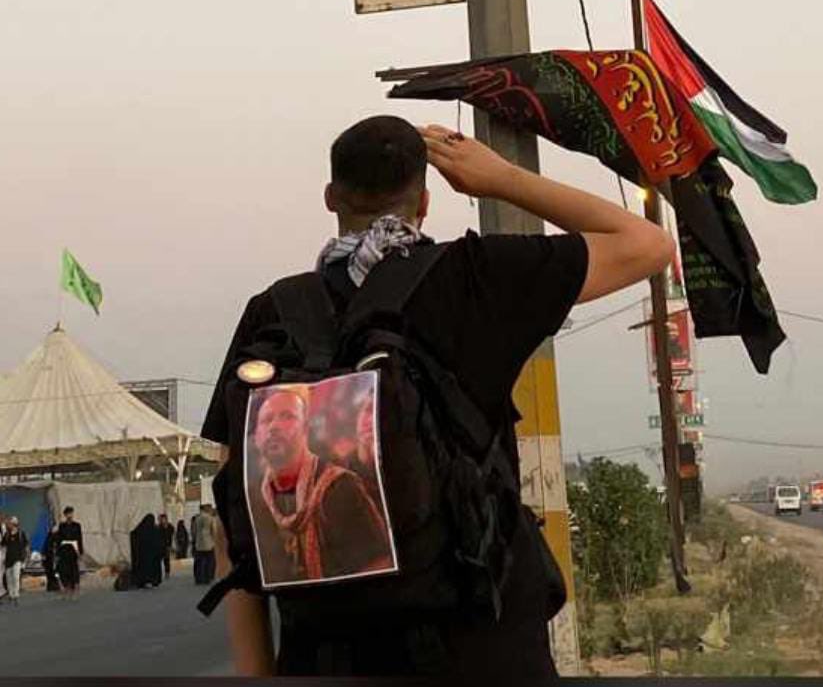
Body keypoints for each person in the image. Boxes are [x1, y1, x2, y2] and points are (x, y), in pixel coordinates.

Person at [204, 114, 673, 678]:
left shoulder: (273, 312)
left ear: (331, 197)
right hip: (480, 651)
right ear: (424, 201)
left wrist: (260, 675)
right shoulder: (477, 276)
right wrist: (499, 177)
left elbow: (235, 519)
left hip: (324, 654)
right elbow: (646, 244)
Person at [248, 386, 392, 587]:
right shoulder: (255, 498)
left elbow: (378, 565)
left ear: (305, 429)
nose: (274, 426)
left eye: (287, 417)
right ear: (256, 438)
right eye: (266, 420)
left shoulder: (340, 487)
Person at [54, 506, 83, 598]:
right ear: (65, 515)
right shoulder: (62, 526)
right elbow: (59, 539)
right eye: (68, 513)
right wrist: (58, 552)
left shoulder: (77, 525)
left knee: (74, 568)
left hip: (73, 549)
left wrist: (80, 551)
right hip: (64, 549)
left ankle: (75, 586)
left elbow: (79, 538)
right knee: (64, 569)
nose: (69, 515)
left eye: (71, 513)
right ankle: (67, 586)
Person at [130, 514, 163, 589]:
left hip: (143, 556)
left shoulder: (140, 530)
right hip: (153, 555)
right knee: (153, 567)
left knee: (144, 568)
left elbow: (133, 535)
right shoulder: (155, 530)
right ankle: (153, 580)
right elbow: (159, 543)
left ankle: (143, 581)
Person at [2, 517, 28, 605]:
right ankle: (11, 595)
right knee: (9, 578)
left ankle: (16, 595)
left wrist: (25, 558)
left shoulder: (21, 534)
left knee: (16, 577)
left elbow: (26, 545)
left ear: (15, 524)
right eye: (9, 523)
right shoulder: (7, 534)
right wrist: (3, 558)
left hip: (18, 558)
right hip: (8, 559)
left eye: (11, 523)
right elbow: (3, 546)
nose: (9, 525)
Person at [192, 506, 217, 586]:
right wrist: (213, 540)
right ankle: (207, 578)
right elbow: (214, 530)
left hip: (199, 544)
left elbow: (194, 531)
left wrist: (196, 539)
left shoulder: (197, 518)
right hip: (208, 543)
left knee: (199, 562)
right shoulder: (210, 518)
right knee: (209, 561)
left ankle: (199, 579)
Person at [43, 524, 61, 593]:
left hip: (55, 557)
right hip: (48, 557)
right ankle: (50, 585)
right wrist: (44, 555)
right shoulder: (49, 536)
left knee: (55, 571)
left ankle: (56, 585)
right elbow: (46, 546)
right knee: (49, 571)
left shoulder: (58, 537)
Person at [157, 513, 174, 578]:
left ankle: (167, 572)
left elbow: (172, 535)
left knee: (166, 560)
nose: (161, 520)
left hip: (167, 545)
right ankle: (159, 573)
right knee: (160, 559)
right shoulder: (159, 527)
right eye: (160, 519)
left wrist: (170, 545)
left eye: (162, 519)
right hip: (160, 545)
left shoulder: (170, 526)